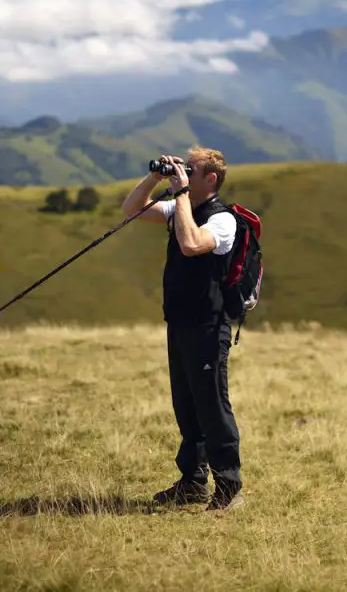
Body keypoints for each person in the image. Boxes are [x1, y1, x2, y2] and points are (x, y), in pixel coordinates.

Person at [121, 147, 244, 512]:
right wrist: (156, 177)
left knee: (212, 405)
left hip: (209, 325)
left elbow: (191, 245)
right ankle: (192, 482)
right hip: (179, 321)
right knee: (186, 406)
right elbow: (131, 209)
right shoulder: (181, 208)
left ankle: (229, 484)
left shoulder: (224, 221)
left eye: (192, 169)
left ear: (211, 179)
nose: (184, 171)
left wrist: (180, 194)